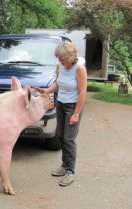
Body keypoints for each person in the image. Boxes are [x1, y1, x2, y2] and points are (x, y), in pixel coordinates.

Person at [35, 42, 87, 187]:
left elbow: (83, 92)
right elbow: (58, 83)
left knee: (68, 139)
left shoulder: (79, 69)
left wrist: (76, 114)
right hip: (61, 104)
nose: (60, 61)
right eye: (59, 58)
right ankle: (64, 166)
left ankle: (70, 172)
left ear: (70, 57)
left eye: (62, 59)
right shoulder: (61, 67)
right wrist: (47, 91)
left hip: (73, 107)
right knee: (59, 135)